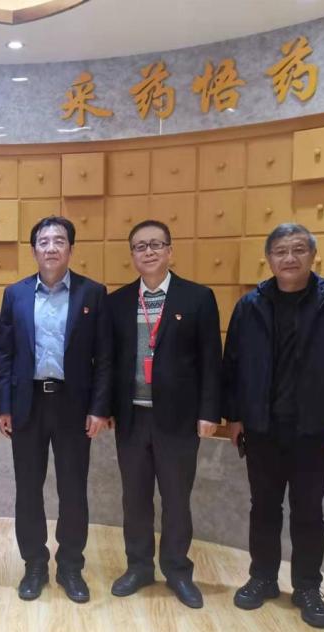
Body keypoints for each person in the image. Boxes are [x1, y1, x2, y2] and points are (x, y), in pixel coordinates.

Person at [223, 222, 324, 629]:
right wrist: (235, 417)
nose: (289, 258)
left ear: (313, 255)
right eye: (281, 251)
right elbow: (231, 366)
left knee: (308, 512)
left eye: (298, 250)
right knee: (263, 508)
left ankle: (307, 587)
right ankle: (262, 578)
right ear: (269, 259)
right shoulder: (249, 306)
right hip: (262, 429)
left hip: (314, 430)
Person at [0, 215, 112, 604]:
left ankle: (70, 566)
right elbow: (5, 354)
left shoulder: (92, 294)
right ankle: (34, 565)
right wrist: (4, 405)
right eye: (43, 242)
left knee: (73, 490)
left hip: (73, 406)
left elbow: (104, 357)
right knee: (28, 490)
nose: (51, 248)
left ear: (71, 249)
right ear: (34, 250)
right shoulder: (15, 294)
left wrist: (99, 408)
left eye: (58, 241)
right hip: (27, 404)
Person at [107, 220, 221, 609]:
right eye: (140, 246)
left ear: (170, 251)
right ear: (132, 255)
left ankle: (177, 570)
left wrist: (209, 411)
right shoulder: (118, 302)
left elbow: (211, 360)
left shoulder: (198, 298)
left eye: (156, 244)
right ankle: (139, 567)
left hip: (179, 420)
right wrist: (107, 408)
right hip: (132, 418)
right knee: (135, 498)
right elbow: (108, 361)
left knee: (176, 499)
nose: (149, 251)